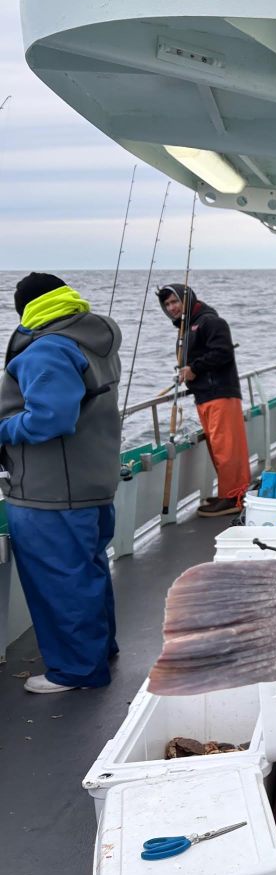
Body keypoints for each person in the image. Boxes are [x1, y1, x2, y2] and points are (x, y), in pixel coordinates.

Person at [0, 273, 121, 693]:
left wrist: (3, 428)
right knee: (88, 571)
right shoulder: (90, 337)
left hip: (51, 490)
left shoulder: (47, 348)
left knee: (60, 581)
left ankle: (76, 670)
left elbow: (51, 419)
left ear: (25, 309)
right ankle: (99, 651)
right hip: (91, 481)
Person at [156, 284, 250, 517]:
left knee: (227, 449)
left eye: (175, 301)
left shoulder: (209, 321)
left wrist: (194, 368)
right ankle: (228, 493)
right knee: (217, 447)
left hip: (220, 393)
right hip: (205, 395)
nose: (171, 308)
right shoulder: (188, 327)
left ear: (187, 300)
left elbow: (223, 352)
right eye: (167, 304)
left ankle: (234, 497)